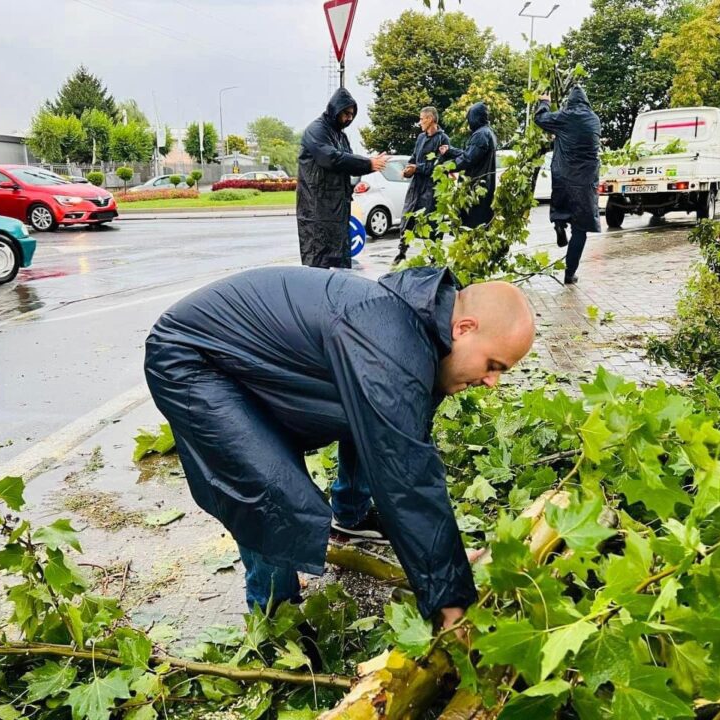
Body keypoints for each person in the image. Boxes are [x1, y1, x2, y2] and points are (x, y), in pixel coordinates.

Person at [144, 266, 535, 627]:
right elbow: (406, 478)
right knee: (270, 489)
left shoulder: (421, 336)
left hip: (249, 362)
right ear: (464, 328)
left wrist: (445, 563)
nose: (491, 382)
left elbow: (405, 445)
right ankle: (276, 619)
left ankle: (351, 515)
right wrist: (450, 596)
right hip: (192, 358)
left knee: (381, 423)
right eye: (494, 365)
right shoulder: (390, 344)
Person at [297, 88, 387, 268]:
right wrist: (367, 163)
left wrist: (369, 164)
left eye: (352, 114)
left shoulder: (340, 136)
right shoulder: (317, 130)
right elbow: (331, 158)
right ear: (335, 109)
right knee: (319, 261)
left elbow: (348, 163)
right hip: (317, 208)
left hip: (337, 208)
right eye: (346, 113)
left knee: (338, 261)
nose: (349, 118)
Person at [534, 86, 602, 285]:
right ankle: (569, 274)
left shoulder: (564, 117)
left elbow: (540, 119)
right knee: (580, 230)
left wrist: (544, 102)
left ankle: (558, 223)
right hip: (585, 182)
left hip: (563, 177)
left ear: (569, 102)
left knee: (561, 209)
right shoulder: (594, 119)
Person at [394, 106, 450, 265]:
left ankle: (434, 258)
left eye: (422, 119)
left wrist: (418, 168)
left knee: (431, 223)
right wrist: (408, 170)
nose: (420, 122)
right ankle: (401, 253)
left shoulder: (443, 139)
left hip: (432, 188)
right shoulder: (420, 138)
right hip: (416, 186)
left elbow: (439, 166)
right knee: (408, 218)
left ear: (431, 119)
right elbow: (413, 158)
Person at [439, 102, 498, 229]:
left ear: (474, 117)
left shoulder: (480, 134)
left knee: (472, 227)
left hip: (475, 187)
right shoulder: (488, 132)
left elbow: (468, 158)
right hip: (484, 186)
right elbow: (472, 153)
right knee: (481, 228)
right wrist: (450, 151)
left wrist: (447, 167)